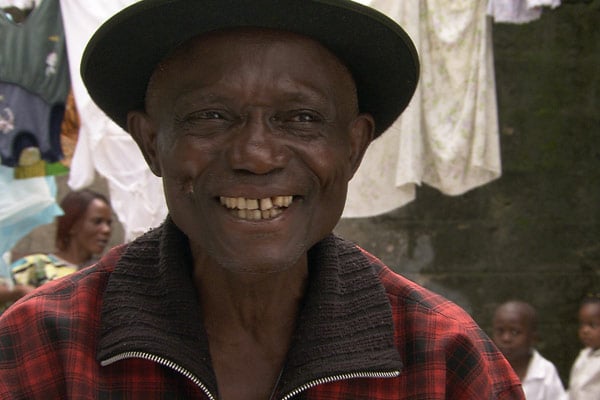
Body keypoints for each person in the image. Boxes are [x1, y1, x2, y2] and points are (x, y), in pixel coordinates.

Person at [0, 1, 525, 399]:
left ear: (354, 147)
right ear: (151, 143)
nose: (256, 155)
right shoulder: (42, 348)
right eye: (210, 116)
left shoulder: (441, 359)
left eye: (300, 118)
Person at [0, 189, 112, 312]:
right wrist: (19, 291)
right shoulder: (38, 265)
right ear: (72, 225)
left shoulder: (104, 272)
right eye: (97, 221)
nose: (106, 230)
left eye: (109, 223)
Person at [492, 300, 566, 399]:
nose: (506, 338)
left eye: (515, 332)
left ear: (533, 338)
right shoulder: (486, 370)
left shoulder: (545, 372)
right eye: (500, 331)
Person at [566, 293, 600, 399]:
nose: (585, 330)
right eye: (582, 325)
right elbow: (573, 390)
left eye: (592, 325)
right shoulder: (583, 357)